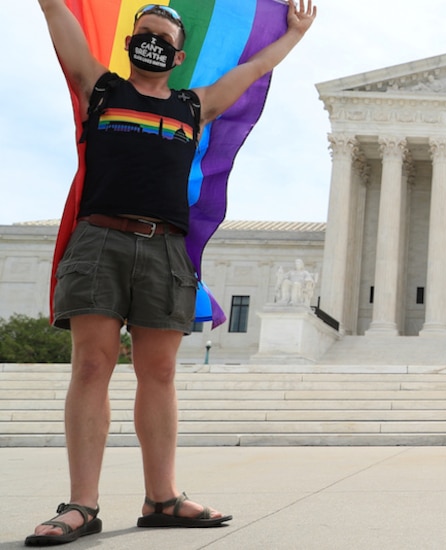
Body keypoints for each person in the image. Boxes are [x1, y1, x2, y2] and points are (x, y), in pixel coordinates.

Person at [29, 2, 316, 545]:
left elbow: (252, 71)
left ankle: (161, 497)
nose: (153, 43)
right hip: (100, 237)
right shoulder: (102, 89)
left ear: (178, 55)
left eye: (162, 38)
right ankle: (81, 505)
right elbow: (57, 20)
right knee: (92, 366)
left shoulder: (194, 106)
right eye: (145, 35)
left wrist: (294, 36)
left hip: (165, 247)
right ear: (130, 43)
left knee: (158, 374)